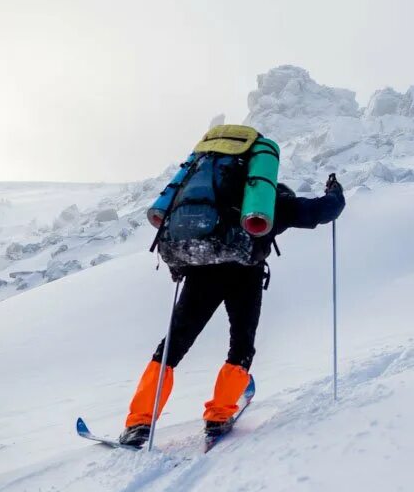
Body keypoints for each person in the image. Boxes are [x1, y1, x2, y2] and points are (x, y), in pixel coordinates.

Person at [119, 174, 345, 447]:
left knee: (172, 347)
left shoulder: (213, 198)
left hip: (201, 275)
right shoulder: (269, 205)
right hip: (245, 279)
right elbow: (324, 211)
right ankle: (219, 414)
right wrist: (335, 191)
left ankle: (139, 422)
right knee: (241, 346)